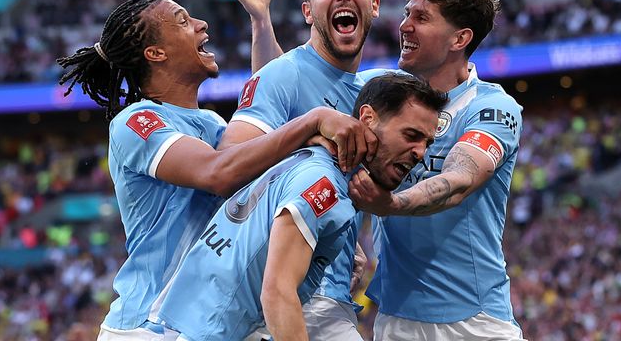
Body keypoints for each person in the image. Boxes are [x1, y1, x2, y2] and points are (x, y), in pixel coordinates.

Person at [56, 0, 375, 340]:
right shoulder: (136, 121)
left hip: (203, 325)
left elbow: (272, 121)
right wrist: (312, 122)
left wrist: (261, 20)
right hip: (147, 326)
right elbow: (218, 174)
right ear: (156, 53)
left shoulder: (213, 126)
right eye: (182, 20)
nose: (200, 24)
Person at [240, 0, 525, 339]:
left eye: (421, 18)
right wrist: (261, 19)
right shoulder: (381, 91)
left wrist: (390, 204)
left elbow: (459, 181)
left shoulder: (491, 108)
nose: (404, 26)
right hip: (395, 321)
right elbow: (285, 89)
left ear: (459, 39)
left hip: (475, 322)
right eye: (407, 14)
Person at [156, 74, 447, 341]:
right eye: (411, 136)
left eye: (427, 142)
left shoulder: (310, 159)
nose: (420, 153)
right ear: (367, 118)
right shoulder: (323, 186)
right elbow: (277, 293)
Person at [223, 0, 388, 340]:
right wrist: (310, 130)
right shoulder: (284, 74)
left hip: (335, 303)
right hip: (273, 305)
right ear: (308, 11)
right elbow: (230, 163)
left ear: (375, 6)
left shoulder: (374, 92)